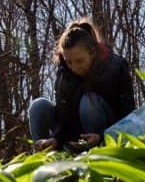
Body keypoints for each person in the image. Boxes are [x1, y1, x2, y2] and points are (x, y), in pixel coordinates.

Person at [29, 18, 135, 152]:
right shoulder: (64, 74)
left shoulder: (116, 67)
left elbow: (128, 115)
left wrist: (102, 137)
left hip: (107, 134)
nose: (74, 67)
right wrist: (57, 139)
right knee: (39, 106)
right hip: (73, 134)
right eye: (69, 62)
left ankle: (97, 155)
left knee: (88, 102)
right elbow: (66, 118)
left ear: (92, 52)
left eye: (80, 61)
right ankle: (41, 156)